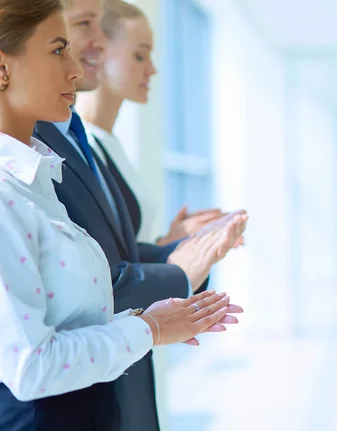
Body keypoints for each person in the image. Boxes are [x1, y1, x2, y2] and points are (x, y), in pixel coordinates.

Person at [0, 1, 245, 430]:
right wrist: (149, 326)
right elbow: (30, 366)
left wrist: (152, 321)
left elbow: (68, 316)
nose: (75, 66)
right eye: (59, 48)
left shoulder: (35, 177)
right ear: (3, 70)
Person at [76, 0, 235, 246]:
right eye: (139, 56)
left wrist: (177, 240)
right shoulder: (79, 145)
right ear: (98, 50)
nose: (151, 70)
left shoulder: (108, 143)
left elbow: (129, 252)